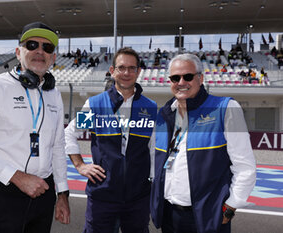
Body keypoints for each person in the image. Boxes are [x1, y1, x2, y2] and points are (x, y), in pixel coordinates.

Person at [0, 21, 70, 233]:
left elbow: (58, 147)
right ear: (18, 52)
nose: (40, 51)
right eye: (32, 45)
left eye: (47, 48)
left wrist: (62, 193)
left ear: (53, 57)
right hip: (3, 195)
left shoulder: (54, 94)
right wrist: (18, 177)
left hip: (43, 194)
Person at [150, 54, 256, 233]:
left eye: (188, 76)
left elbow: (245, 166)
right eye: (175, 78)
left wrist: (231, 207)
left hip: (208, 216)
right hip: (168, 215)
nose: (181, 82)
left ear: (200, 78)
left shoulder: (226, 108)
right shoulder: (163, 114)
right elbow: (154, 161)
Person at [65, 47, 157, 233]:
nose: (126, 73)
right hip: (102, 196)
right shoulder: (95, 105)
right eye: (121, 67)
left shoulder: (150, 107)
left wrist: (153, 185)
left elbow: (153, 150)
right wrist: (80, 166)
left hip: (138, 198)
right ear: (112, 71)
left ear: (138, 72)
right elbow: (69, 134)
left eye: (132, 68)